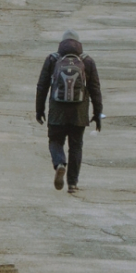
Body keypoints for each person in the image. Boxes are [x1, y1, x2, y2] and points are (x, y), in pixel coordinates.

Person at [36, 31, 103, 195]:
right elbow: (95, 89)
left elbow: (42, 86)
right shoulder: (87, 61)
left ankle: (60, 163)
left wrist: (39, 110)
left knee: (55, 140)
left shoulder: (52, 59)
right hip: (79, 112)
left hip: (57, 110)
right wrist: (98, 113)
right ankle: (72, 184)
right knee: (76, 146)